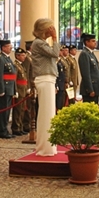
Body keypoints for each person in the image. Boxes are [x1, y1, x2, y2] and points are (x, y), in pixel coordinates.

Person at [30, 18, 61, 157]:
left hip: (48, 79)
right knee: (46, 114)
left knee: (49, 114)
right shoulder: (38, 43)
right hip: (44, 78)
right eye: (49, 28)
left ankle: (49, 146)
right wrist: (55, 38)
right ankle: (45, 148)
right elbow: (55, 53)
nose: (52, 30)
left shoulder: (42, 43)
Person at [0, 40, 16, 139]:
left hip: (9, 88)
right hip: (5, 88)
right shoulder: (0, 59)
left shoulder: (8, 58)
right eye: (8, 46)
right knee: (3, 111)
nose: (10, 48)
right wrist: (1, 89)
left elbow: (13, 75)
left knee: (7, 111)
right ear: (3, 48)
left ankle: (5, 129)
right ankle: (2, 131)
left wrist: (14, 89)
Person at [78, 33, 99, 105]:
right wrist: (90, 89)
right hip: (90, 90)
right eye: (93, 41)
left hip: (95, 88)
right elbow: (86, 74)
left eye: (95, 41)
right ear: (87, 42)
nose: (95, 43)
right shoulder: (84, 54)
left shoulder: (90, 53)